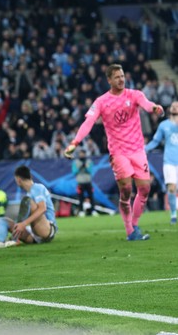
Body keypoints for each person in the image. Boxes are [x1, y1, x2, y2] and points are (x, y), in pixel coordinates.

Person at [64, 64, 165, 241]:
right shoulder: (101, 102)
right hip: (118, 152)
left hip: (137, 150)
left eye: (122, 75)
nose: (121, 79)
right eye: (117, 77)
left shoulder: (134, 95)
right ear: (109, 80)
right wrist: (75, 142)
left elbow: (147, 104)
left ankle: (134, 225)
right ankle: (130, 230)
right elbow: (88, 122)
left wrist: (155, 108)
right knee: (126, 190)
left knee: (145, 188)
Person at [0, 165, 58, 248]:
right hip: (34, 234)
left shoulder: (37, 188)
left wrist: (23, 224)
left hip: (47, 230)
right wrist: (21, 226)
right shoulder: (29, 193)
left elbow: (42, 209)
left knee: (27, 201)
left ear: (18, 179)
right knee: (3, 221)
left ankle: (14, 239)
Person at [145, 101, 178, 225]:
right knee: (171, 188)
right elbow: (155, 141)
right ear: (170, 109)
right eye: (173, 106)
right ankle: (173, 215)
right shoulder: (164, 125)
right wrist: (144, 149)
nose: (175, 107)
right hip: (169, 161)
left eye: (177, 106)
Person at [72, 149, 97, 216]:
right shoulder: (75, 162)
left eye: (83, 153)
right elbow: (74, 172)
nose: (81, 155)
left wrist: (86, 167)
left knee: (91, 196)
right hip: (80, 182)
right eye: (80, 153)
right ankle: (81, 211)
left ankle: (93, 210)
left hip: (88, 182)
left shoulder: (89, 162)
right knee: (80, 197)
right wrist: (80, 167)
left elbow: (90, 171)